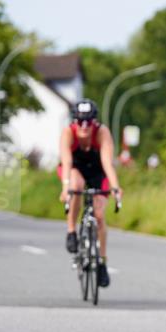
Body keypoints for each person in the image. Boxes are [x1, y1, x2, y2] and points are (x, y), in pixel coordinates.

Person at [57, 99, 123, 287]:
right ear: (74, 121)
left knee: (99, 215)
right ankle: (71, 231)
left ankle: (102, 262)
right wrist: (65, 188)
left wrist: (116, 188)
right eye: (80, 121)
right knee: (76, 186)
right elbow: (67, 162)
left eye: (88, 121)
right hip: (74, 170)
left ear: (94, 121)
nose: (84, 126)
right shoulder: (68, 133)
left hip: (97, 171)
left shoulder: (102, 132)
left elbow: (107, 163)